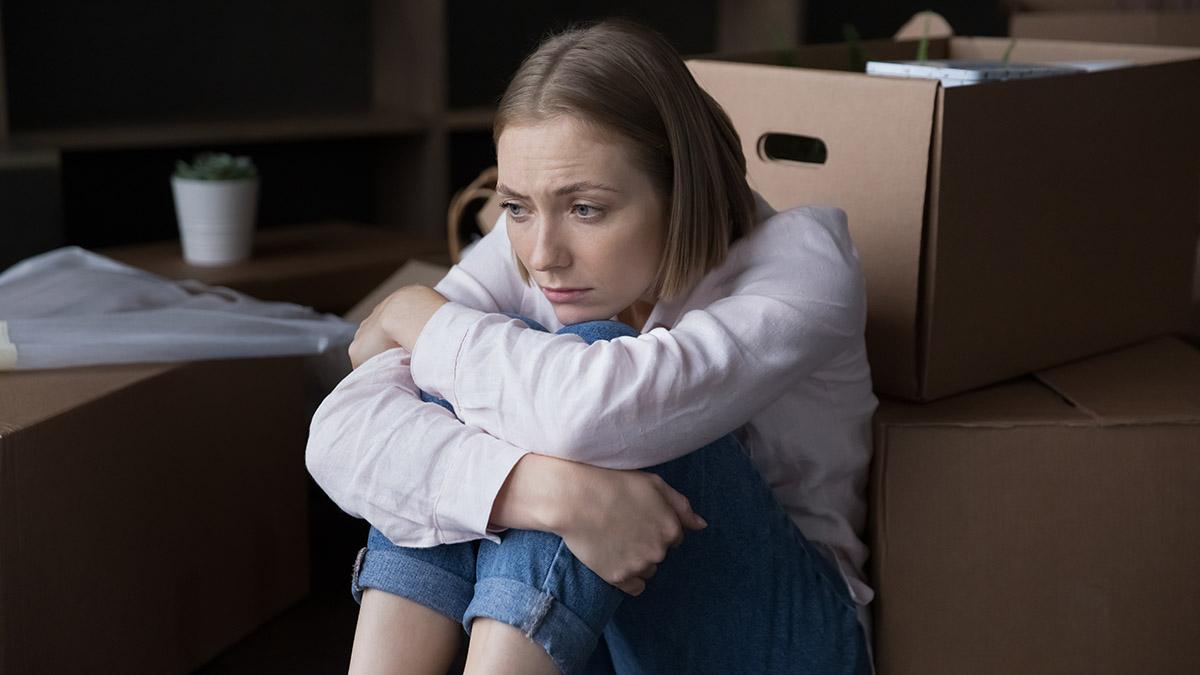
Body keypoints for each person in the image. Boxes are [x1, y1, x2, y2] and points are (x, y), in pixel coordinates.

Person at [306, 18, 877, 675]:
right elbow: (340, 433)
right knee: (448, 394)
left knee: (567, 367)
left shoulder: (805, 262)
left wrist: (411, 310)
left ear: (679, 189)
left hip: (784, 645)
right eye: (517, 206)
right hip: (599, 631)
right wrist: (551, 494)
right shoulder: (526, 247)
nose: (543, 256)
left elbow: (591, 411)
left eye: (587, 209)